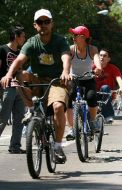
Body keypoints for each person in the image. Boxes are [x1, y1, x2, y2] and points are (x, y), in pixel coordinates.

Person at [1, 9, 71, 163]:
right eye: (40, 22)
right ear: (35, 25)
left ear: (52, 24)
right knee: (22, 74)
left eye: (47, 22)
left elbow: (65, 56)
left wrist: (66, 71)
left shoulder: (60, 40)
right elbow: (19, 60)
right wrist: (8, 75)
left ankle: (58, 146)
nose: (44, 25)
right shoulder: (32, 42)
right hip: (38, 80)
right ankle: (32, 110)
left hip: (57, 81)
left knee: (58, 107)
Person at [65, 25, 102, 140]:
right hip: (74, 79)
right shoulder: (71, 49)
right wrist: (66, 72)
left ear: (82, 37)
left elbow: (96, 59)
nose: (73, 37)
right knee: (69, 99)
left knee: (91, 97)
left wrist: (98, 68)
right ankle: (71, 129)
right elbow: (66, 62)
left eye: (75, 35)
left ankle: (92, 121)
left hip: (88, 79)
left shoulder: (92, 49)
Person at [0, 25, 26, 154]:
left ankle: (15, 146)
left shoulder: (21, 53)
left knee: (19, 119)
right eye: (23, 36)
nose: (24, 39)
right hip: (6, 88)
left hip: (18, 89)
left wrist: (23, 87)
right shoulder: (2, 50)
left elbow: (20, 72)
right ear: (16, 37)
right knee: (3, 118)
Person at [93, 48, 122, 123]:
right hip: (93, 93)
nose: (102, 57)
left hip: (106, 94)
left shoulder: (113, 68)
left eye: (104, 56)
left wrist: (121, 87)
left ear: (108, 59)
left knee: (105, 87)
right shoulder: (92, 67)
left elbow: (119, 78)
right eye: (100, 55)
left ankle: (108, 116)